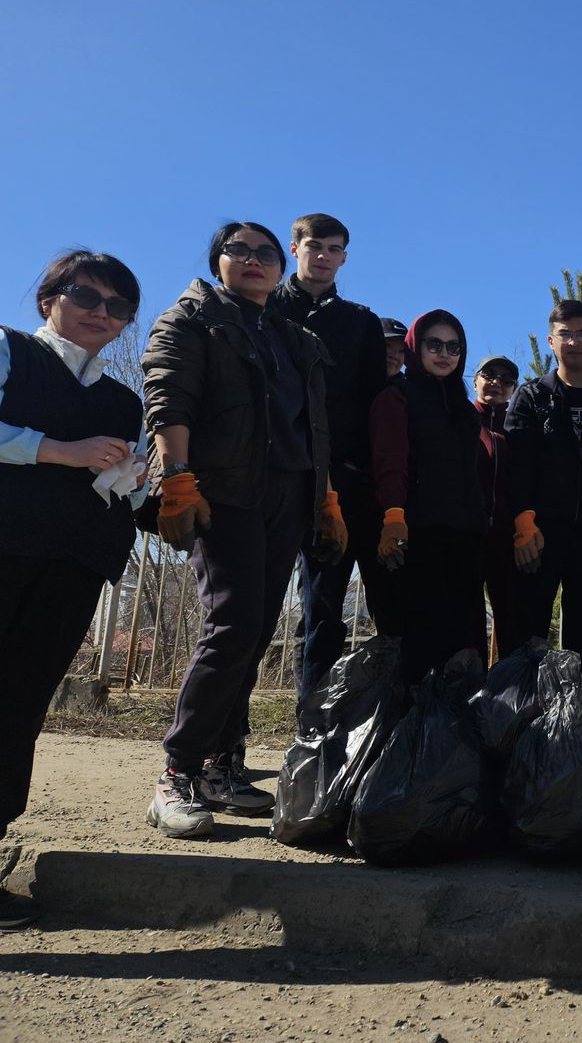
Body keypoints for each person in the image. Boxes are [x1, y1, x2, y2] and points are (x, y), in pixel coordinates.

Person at [142, 223, 342, 838]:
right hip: (222, 490)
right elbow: (168, 397)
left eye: (265, 254)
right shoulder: (194, 318)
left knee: (254, 631)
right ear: (218, 260)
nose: (253, 261)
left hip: (286, 491)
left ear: (280, 269)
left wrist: (325, 495)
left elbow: (313, 426)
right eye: (240, 251)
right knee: (230, 626)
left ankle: (218, 765)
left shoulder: (291, 337)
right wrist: (176, 478)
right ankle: (176, 772)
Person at [0, 251, 144, 927]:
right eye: (87, 295)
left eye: (118, 307)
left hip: (74, 565)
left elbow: (115, 486)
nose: (102, 313)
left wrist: (134, 480)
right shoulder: (9, 352)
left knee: (21, 705)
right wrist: (61, 449)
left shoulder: (121, 400)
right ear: (49, 296)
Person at [270, 213, 396, 704]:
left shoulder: (360, 321)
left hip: (342, 482)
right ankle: (233, 743)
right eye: (314, 245)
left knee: (327, 605)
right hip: (276, 471)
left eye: (334, 248)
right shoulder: (266, 310)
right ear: (295, 247)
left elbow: (372, 402)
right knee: (256, 612)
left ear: (345, 257)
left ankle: (342, 729)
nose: (323, 256)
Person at [370, 311, 492, 685]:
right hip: (417, 533)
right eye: (434, 344)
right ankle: (416, 731)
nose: (444, 353)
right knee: (423, 637)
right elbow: (390, 461)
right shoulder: (397, 397)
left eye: (453, 346)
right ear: (415, 347)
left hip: (466, 535)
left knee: (466, 639)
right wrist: (393, 515)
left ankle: (459, 732)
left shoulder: (463, 407)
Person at [506, 300, 582, 702]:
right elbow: (517, 463)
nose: (574, 341)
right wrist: (523, 521)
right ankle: (519, 721)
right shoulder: (532, 397)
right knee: (528, 633)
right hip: (539, 532)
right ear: (551, 341)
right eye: (564, 333)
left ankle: (579, 720)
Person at [472, 353, 524, 657]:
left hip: (508, 536)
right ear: (476, 379)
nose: (497, 383)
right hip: (469, 531)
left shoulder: (517, 425)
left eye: (506, 380)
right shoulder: (462, 419)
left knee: (510, 616)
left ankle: (508, 694)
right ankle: (468, 691)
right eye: (489, 375)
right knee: (468, 617)